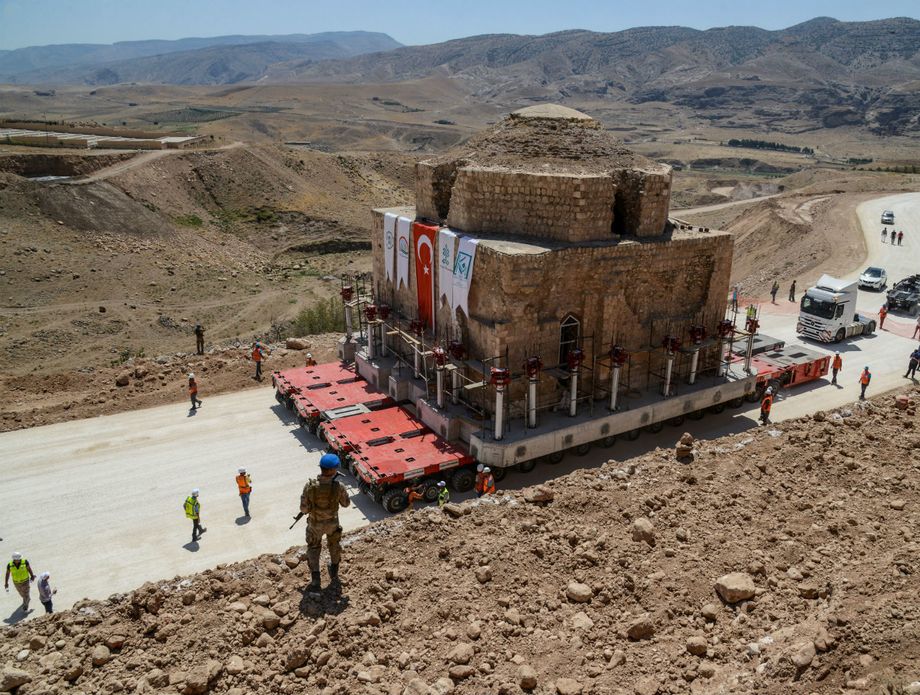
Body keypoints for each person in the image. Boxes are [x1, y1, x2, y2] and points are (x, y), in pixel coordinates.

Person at [300, 453, 350, 592]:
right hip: (332, 524)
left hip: (315, 525)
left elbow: (303, 509)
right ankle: (334, 572)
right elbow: (346, 504)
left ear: (321, 468)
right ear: (333, 470)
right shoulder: (338, 486)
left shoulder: (309, 486)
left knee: (314, 549)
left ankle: (316, 579)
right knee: (334, 546)